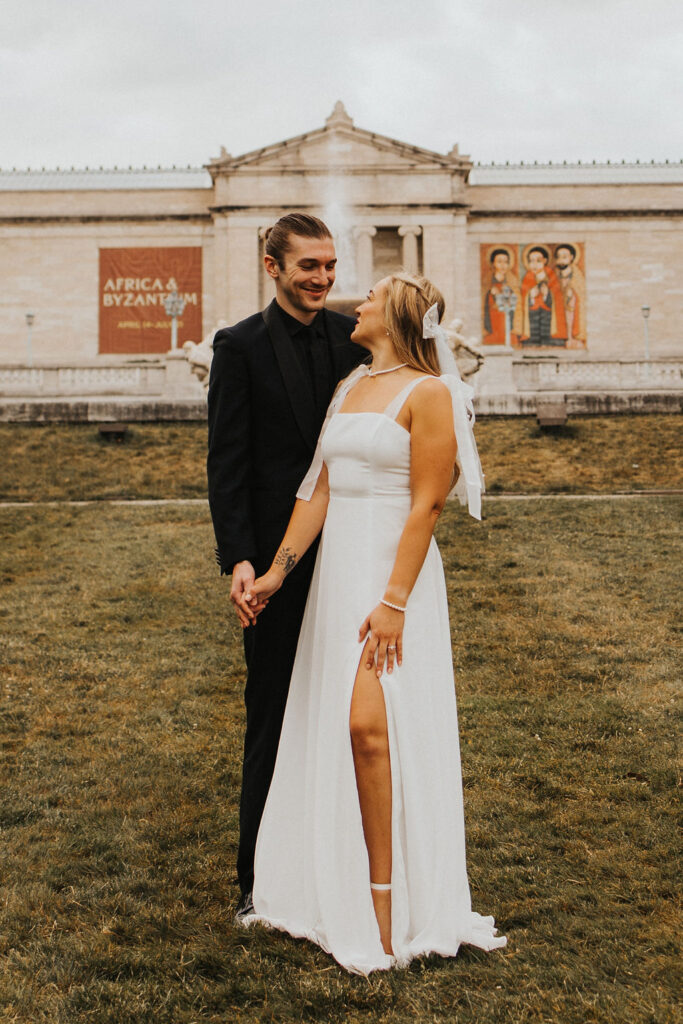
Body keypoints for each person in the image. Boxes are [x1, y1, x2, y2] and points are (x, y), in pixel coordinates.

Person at [239, 273, 507, 974]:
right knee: (342, 728)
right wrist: (275, 573)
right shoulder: (350, 388)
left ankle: (392, 908)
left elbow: (427, 505)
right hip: (337, 575)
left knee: (371, 725)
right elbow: (318, 490)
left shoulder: (431, 394)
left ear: (395, 314)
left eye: (368, 297)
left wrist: (392, 603)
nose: (352, 303)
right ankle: (337, 893)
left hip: (395, 578)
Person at [207, 213, 364, 922]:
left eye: (330, 266)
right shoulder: (237, 346)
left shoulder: (359, 337)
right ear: (272, 267)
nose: (323, 279)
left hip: (354, 555)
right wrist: (241, 559)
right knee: (270, 713)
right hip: (274, 565)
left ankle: (350, 865)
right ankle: (258, 878)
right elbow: (227, 463)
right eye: (309, 267)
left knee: (356, 717)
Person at [520, 245, 568, 346]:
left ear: (545, 261)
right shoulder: (527, 278)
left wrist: (547, 295)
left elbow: (558, 299)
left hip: (548, 320)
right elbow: (522, 300)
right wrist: (531, 297)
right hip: (533, 321)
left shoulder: (552, 276)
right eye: (531, 261)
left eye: (538, 261)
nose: (534, 264)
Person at [482, 247, 522, 346]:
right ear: (493, 264)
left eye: (506, 262)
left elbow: (517, 305)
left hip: (507, 324)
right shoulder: (487, 282)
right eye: (499, 261)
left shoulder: (512, 282)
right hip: (493, 323)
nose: (503, 265)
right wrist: (491, 293)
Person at [553, 243, 586, 348]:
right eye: (558, 257)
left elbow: (581, 292)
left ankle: (573, 339)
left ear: (571, 258)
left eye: (564, 257)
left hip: (572, 308)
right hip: (558, 308)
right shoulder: (554, 275)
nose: (561, 260)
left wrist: (572, 294)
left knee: (570, 322)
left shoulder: (577, 275)